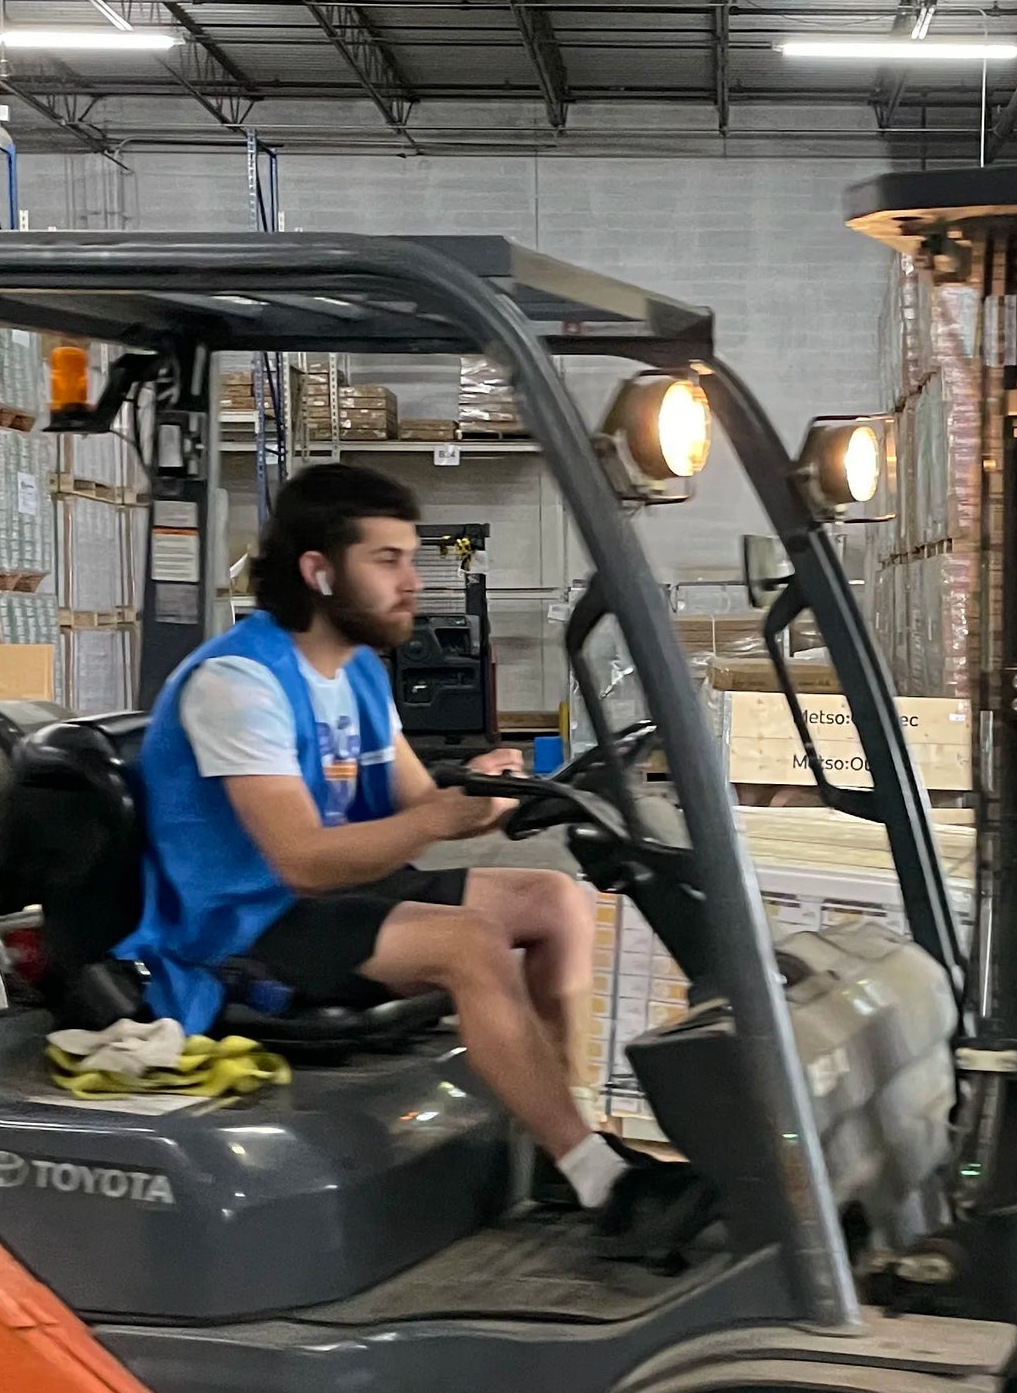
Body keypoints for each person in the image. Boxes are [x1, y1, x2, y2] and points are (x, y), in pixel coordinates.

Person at [119, 462, 701, 1246]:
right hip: (243, 921)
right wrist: (438, 819)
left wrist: (497, 794)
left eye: (411, 558)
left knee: (558, 899)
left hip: (333, 893)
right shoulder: (238, 683)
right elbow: (302, 861)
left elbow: (416, 802)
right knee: (470, 944)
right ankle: (601, 1179)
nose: (413, 580)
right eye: (386, 561)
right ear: (318, 572)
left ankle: (571, 1147)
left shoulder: (355, 670)